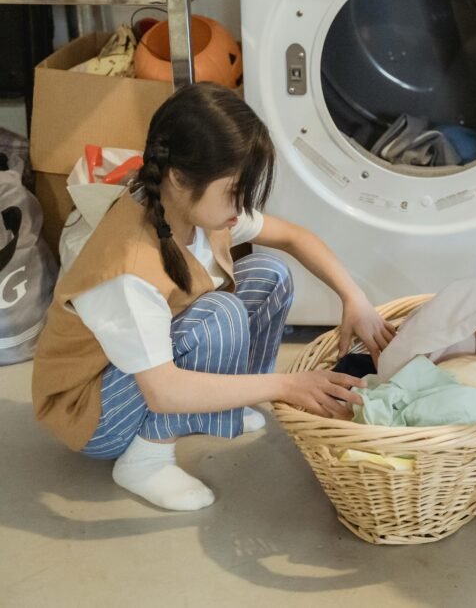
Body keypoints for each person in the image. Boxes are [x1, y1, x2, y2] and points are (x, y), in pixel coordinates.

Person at [32, 83, 395, 512]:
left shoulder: (189, 206)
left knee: (269, 274)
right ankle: (145, 459)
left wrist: (353, 298)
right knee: (218, 313)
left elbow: (294, 238)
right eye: (235, 191)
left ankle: (222, 405)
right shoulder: (127, 266)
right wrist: (287, 384)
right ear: (180, 177)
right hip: (92, 414)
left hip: (140, 372)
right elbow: (163, 392)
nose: (241, 208)